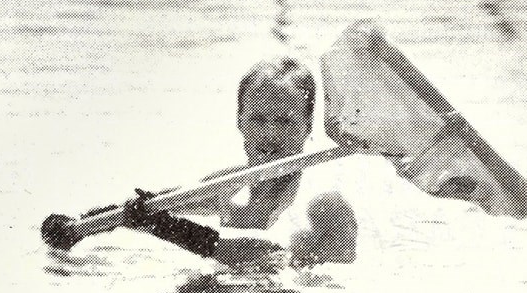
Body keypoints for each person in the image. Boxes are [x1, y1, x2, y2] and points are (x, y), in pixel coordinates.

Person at [51, 58, 358, 269]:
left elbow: (262, 254)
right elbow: (153, 205)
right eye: (258, 119)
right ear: (240, 122)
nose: (270, 134)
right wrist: (81, 225)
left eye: (285, 121)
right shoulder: (227, 185)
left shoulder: (323, 201)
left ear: (307, 126)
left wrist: (163, 227)